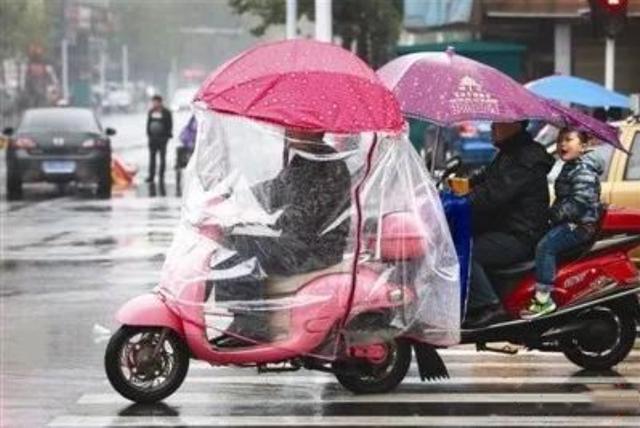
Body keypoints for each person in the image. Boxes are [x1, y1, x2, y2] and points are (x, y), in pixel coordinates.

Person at [211, 129, 352, 347]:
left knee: (242, 244)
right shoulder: (304, 160)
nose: (287, 133)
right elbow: (277, 190)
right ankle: (242, 316)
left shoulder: (329, 164)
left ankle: (253, 324)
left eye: (294, 129)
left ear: (312, 130)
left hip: (316, 248)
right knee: (234, 236)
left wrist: (271, 224)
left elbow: (308, 215)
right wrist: (235, 197)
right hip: (298, 241)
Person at [464, 121, 555, 328]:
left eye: (499, 123)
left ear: (515, 125)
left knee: (466, 252)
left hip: (519, 234)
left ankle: (490, 306)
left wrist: (465, 201)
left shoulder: (525, 160)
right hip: (505, 228)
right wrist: (464, 184)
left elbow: (494, 194)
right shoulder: (509, 154)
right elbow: (484, 180)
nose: (493, 127)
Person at [520, 129, 603, 319]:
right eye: (559, 141)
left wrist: (553, 215)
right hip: (569, 221)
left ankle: (543, 299)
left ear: (583, 146)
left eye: (568, 140)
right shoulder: (570, 166)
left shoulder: (583, 169)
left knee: (545, 247)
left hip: (579, 225)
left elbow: (579, 202)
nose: (562, 145)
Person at [146, 95, 173, 183]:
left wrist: (166, 136)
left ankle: (161, 176)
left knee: (162, 158)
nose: (154, 104)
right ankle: (151, 176)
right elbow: (148, 124)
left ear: (160, 102)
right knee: (152, 158)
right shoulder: (151, 112)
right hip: (153, 139)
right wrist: (149, 135)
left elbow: (170, 125)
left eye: (156, 102)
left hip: (162, 138)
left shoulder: (166, 112)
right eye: (153, 102)